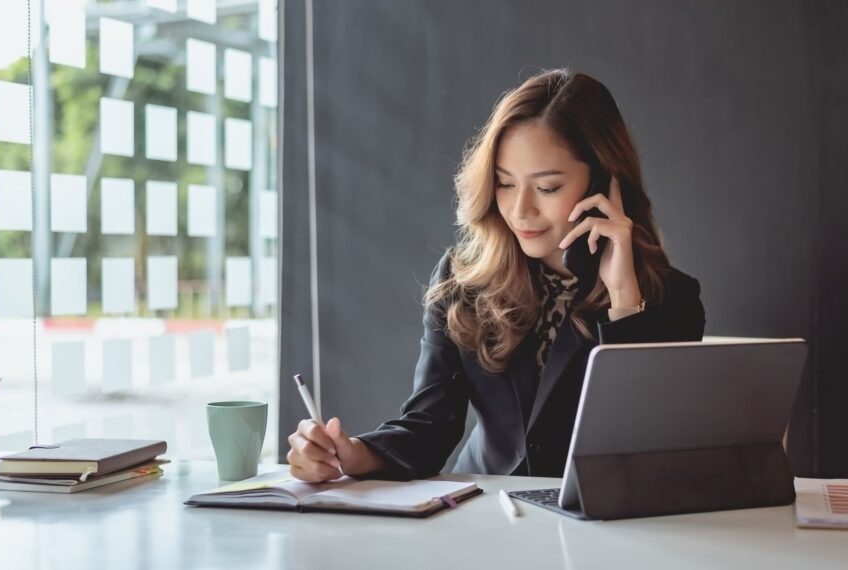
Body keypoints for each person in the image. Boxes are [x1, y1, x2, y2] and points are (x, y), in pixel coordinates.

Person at [287, 69, 705, 482]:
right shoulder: (462, 280)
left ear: (603, 184)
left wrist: (622, 300)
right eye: (505, 184)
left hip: (598, 531)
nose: (520, 210)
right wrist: (352, 453)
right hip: (484, 517)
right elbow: (429, 425)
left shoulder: (672, 298)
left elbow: (645, 450)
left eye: (547, 188)